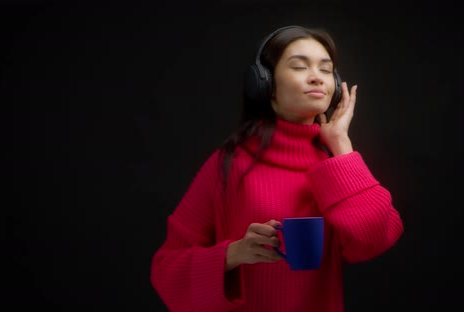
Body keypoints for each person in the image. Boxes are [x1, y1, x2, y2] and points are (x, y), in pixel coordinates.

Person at [150, 25, 404, 312]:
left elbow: (376, 238)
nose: (316, 78)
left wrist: (341, 145)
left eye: (325, 69)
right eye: (299, 66)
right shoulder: (230, 163)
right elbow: (166, 270)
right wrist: (233, 254)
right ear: (265, 84)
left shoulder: (336, 165)